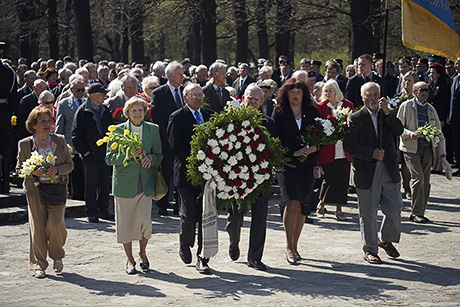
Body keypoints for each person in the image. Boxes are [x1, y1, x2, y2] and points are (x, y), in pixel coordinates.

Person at [343, 82, 404, 264]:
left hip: (389, 167)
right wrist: (371, 153)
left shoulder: (386, 114)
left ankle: (385, 239)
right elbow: (349, 146)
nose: (373, 98)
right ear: (363, 98)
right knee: (368, 213)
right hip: (367, 170)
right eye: (369, 95)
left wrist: (388, 113)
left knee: (395, 207)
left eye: (376, 94)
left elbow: (399, 130)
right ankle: (370, 249)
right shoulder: (356, 118)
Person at [106, 97, 163, 274]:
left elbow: (159, 154)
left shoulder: (153, 130)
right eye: (134, 110)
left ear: (145, 112)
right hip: (125, 183)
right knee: (125, 224)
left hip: (145, 183)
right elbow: (109, 158)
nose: (137, 113)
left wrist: (150, 158)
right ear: (127, 113)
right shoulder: (118, 131)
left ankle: (142, 254)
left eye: (140, 110)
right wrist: (127, 156)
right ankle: (129, 260)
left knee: (145, 222)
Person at [16, 107, 74, 278]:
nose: (47, 124)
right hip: (35, 191)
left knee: (56, 224)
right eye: (42, 121)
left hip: (57, 189)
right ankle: (38, 265)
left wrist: (56, 170)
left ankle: (57, 255)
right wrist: (33, 171)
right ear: (33, 125)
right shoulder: (25, 144)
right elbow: (19, 169)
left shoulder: (60, 140)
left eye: (49, 121)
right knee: (38, 228)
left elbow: (70, 165)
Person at [225, 84, 276, 271]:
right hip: (235, 177)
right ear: (242, 99)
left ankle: (254, 257)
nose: (252, 102)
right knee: (235, 216)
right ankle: (233, 241)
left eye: (256, 99)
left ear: (262, 101)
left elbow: (274, 151)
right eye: (249, 98)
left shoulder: (269, 123)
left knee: (260, 216)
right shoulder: (232, 121)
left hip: (261, 178)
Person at [167, 83, 214, 274]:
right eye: (194, 95)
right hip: (186, 174)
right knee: (189, 215)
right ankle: (185, 242)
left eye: (200, 95)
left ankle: (203, 257)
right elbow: (175, 146)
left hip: (208, 176)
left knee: (206, 216)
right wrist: (198, 156)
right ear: (185, 98)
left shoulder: (210, 115)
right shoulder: (177, 117)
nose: (198, 98)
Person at [273, 78, 320, 264]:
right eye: (292, 92)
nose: (295, 95)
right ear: (286, 93)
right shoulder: (279, 112)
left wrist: (316, 147)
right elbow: (275, 139)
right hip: (287, 164)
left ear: (304, 94)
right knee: (291, 202)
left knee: (301, 205)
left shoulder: (312, 111)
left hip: (307, 164)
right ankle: (288, 246)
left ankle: (296, 245)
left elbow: (322, 134)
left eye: (298, 92)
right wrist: (293, 151)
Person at [397, 82, 446, 223]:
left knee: (426, 181)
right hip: (410, 148)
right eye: (421, 90)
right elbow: (398, 127)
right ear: (414, 92)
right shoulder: (406, 106)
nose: (425, 93)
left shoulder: (431, 109)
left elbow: (438, 133)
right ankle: (415, 212)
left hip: (427, 149)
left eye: (427, 90)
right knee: (417, 178)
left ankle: (420, 211)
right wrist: (409, 134)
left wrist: (442, 153)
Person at [72, 83, 114, 223]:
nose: (104, 96)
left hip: (105, 155)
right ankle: (91, 211)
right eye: (102, 94)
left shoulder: (105, 110)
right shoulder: (82, 111)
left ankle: (103, 209)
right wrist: (86, 152)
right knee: (90, 185)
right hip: (90, 156)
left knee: (104, 183)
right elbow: (76, 136)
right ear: (94, 96)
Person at [316, 79, 354, 221]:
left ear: (336, 91)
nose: (327, 93)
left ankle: (339, 209)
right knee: (328, 178)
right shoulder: (321, 106)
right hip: (328, 148)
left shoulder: (347, 105)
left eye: (330, 90)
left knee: (342, 180)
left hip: (343, 149)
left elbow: (352, 125)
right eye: (325, 91)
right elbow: (318, 126)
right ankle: (321, 204)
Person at [151, 61, 185, 215]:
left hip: (184, 141)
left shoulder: (186, 92)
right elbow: (157, 117)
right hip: (166, 141)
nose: (182, 76)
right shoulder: (159, 93)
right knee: (166, 173)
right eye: (179, 74)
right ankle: (162, 204)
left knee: (182, 173)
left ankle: (180, 204)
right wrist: (169, 136)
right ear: (170, 76)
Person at [55, 76, 86, 200]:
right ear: (72, 90)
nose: (81, 92)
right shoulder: (64, 103)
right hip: (70, 144)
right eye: (78, 90)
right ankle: (75, 198)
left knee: (84, 174)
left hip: (84, 144)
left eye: (82, 90)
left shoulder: (87, 102)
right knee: (74, 174)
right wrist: (59, 146)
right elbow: (59, 126)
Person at [0, 45, 18, 194]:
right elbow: (13, 98)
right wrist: (7, 112)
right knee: (5, 147)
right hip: (3, 112)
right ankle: (5, 183)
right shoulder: (9, 72)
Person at [427, 63, 451, 173]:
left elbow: (444, 104)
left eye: (433, 73)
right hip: (430, 117)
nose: (430, 75)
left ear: (439, 74)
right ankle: (435, 163)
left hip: (439, 118)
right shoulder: (430, 86)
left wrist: (442, 119)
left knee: (439, 142)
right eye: (430, 72)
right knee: (433, 141)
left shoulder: (444, 86)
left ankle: (440, 164)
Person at [448, 57, 460, 177]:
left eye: (458, 63)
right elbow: (452, 99)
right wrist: (449, 115)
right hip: (454, 117)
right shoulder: (455, 79)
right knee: (457, 144)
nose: (456, 66)